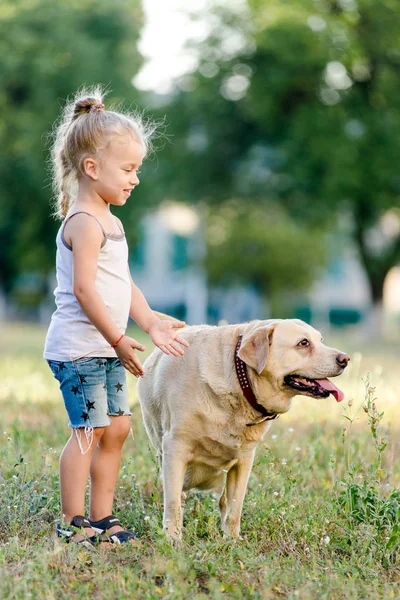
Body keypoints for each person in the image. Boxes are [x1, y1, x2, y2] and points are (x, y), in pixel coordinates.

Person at [43, 86, 189, 547]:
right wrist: (118, 339)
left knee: (118, 428)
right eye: (128, 169)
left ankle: (103, 517)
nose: (135, 179)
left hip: (104, 346)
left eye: (136, 170)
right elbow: (86, 290)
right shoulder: (83, 222)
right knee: (89, 431)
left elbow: (122, 285)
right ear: (91, 168)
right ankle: (75, 522)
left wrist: (149, 323)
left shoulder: (112, 221)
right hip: (78, 348)